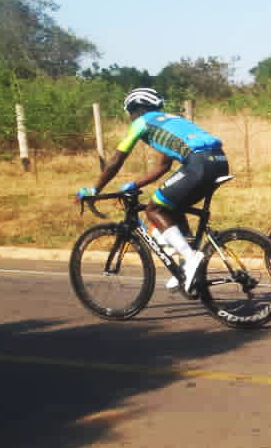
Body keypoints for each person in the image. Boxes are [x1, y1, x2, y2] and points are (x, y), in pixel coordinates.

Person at [75, 88, 229, 295]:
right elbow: (163, 167)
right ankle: (186, 266)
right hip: (219, 161)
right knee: (171, 208)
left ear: (136, 109)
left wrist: (95, 189)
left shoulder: (141, 123)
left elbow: (116, 160)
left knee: (153, 209)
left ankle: (190, 258)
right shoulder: (170, 121)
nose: (129, 118)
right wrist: (136, 184)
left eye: (129, 113)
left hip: (199, 163)